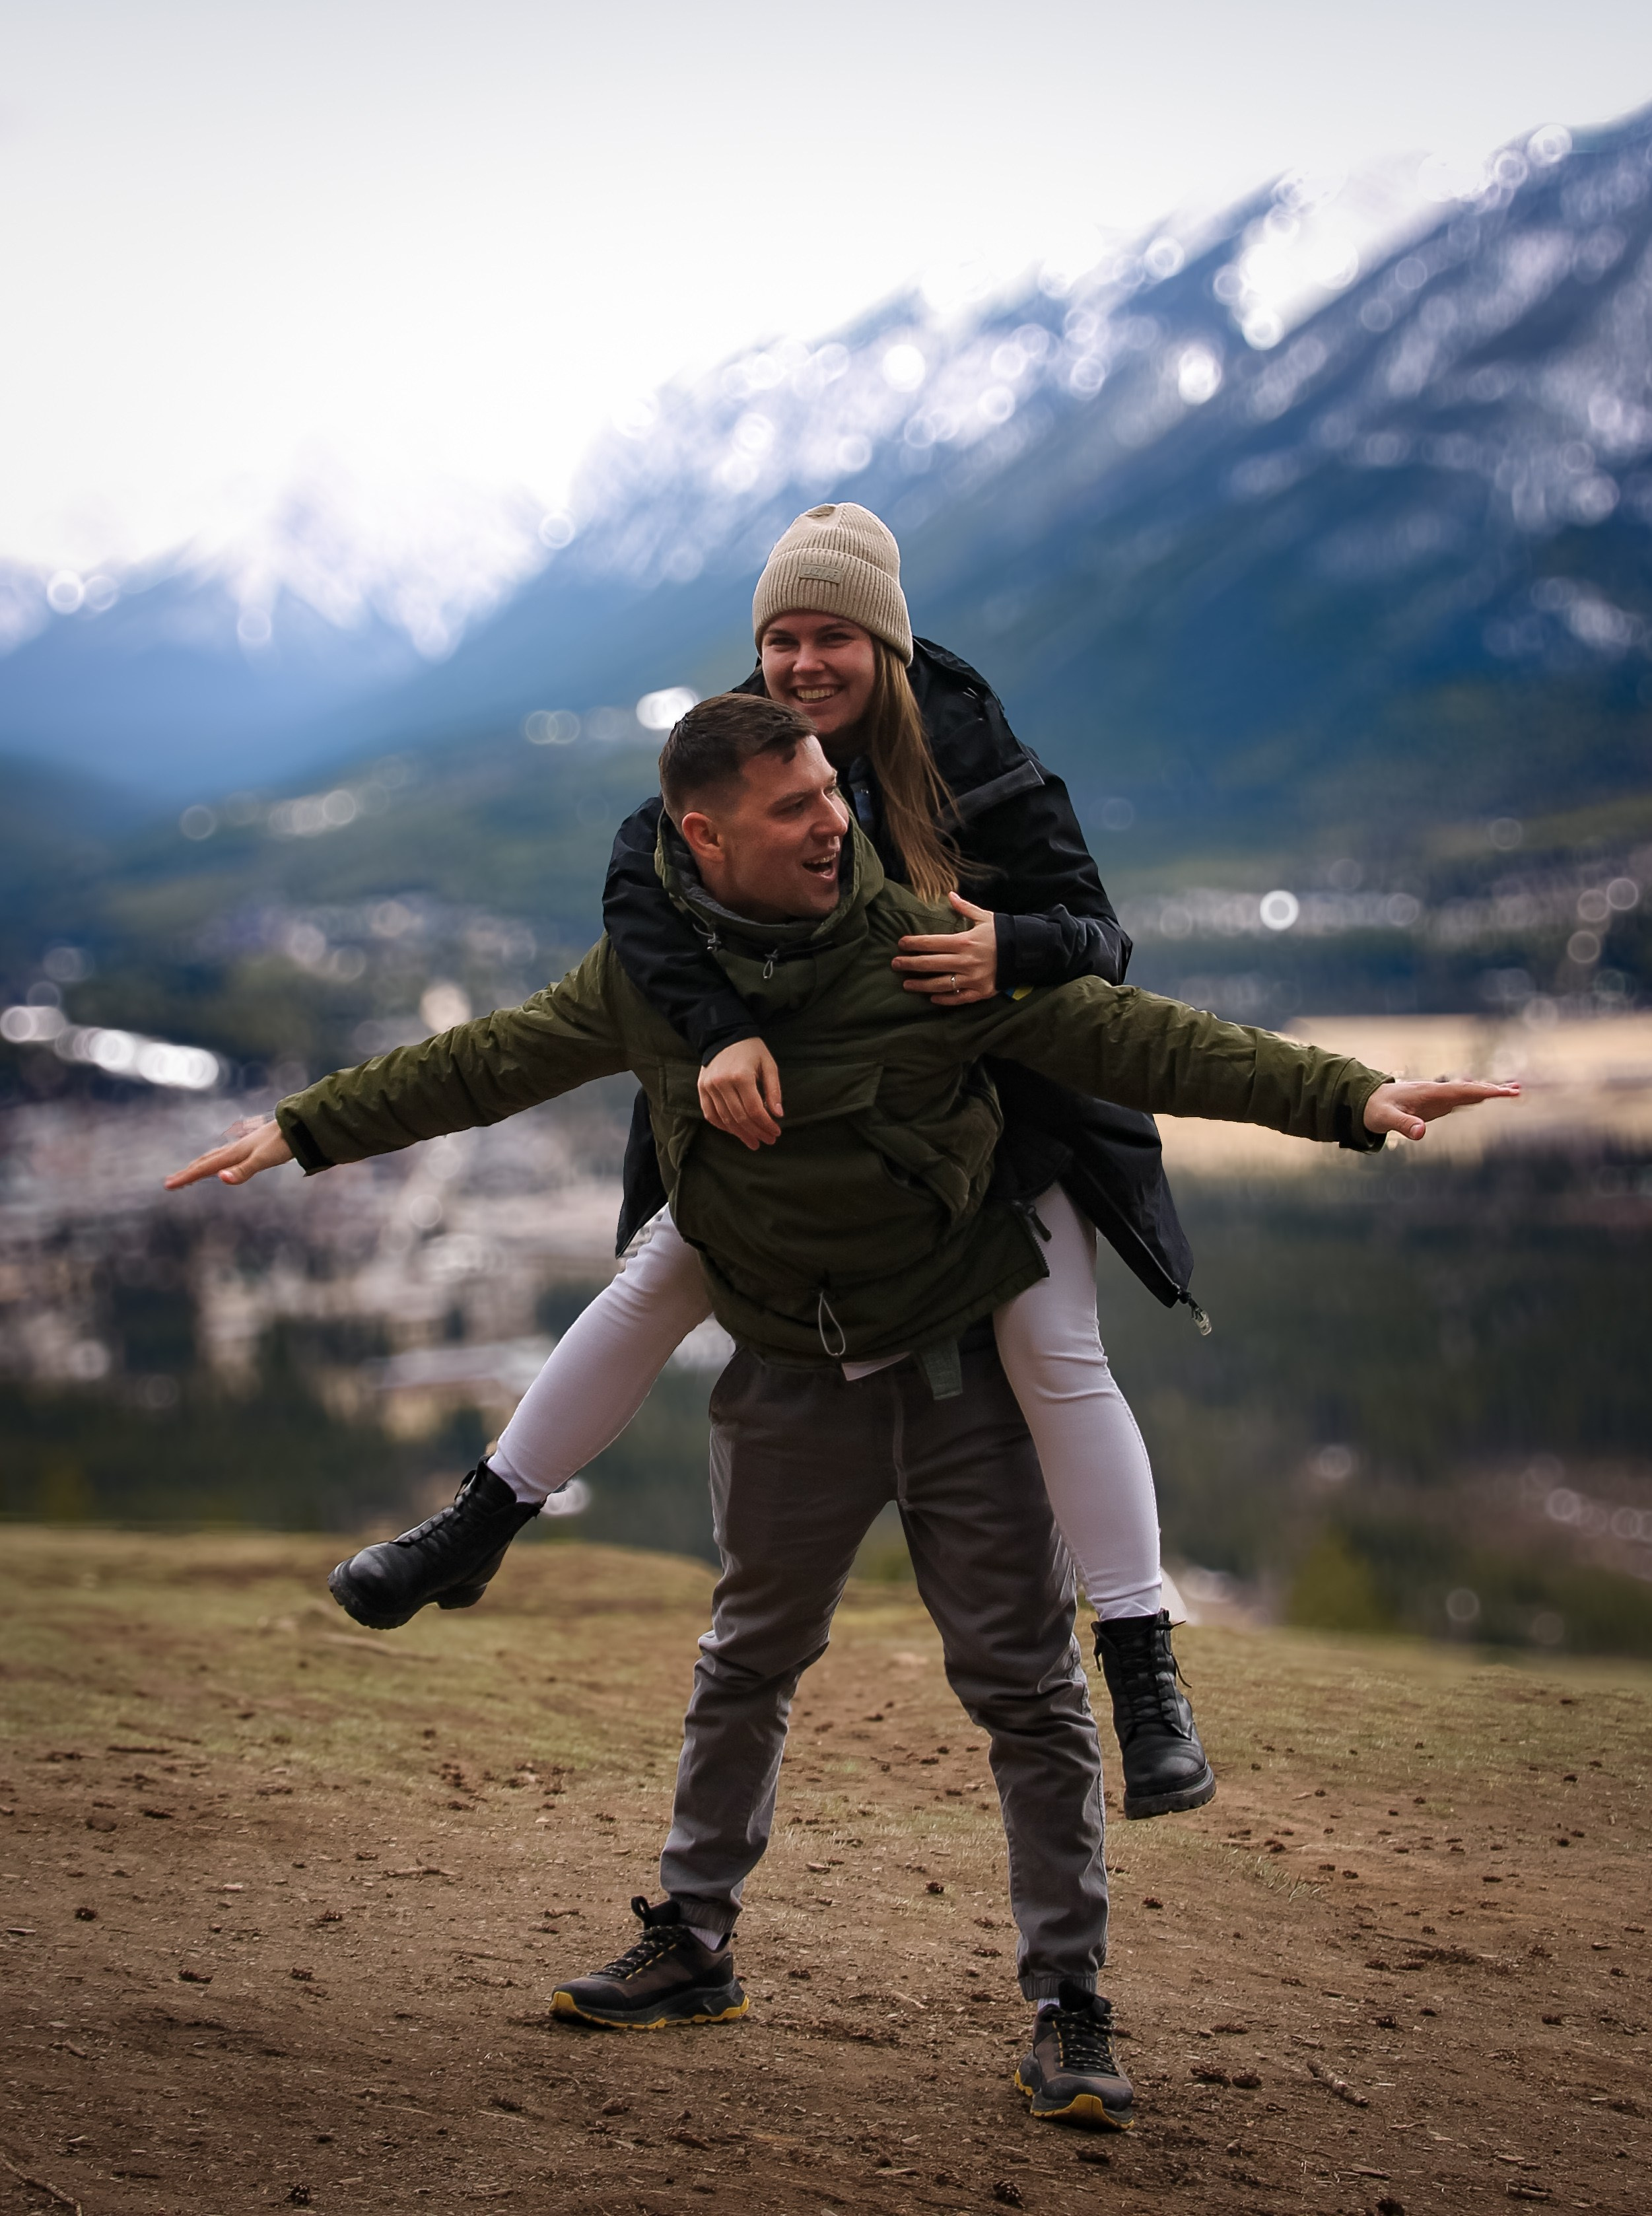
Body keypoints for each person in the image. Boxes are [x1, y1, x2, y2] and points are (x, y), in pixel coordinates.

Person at [166, 693, 1515, 2129]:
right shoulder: (649, 975)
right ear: (706, 837)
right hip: (785, 1379)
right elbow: (485, 1063)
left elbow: (1143, 1040)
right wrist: (305, 1128)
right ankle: (693, 1941)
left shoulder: (925, 949)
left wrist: (1352, 1096)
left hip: (957, 1373)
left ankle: (1069, 2000)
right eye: (798, 804)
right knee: (746, 1656)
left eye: (832, 788)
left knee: (1026, 1691)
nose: (835, 815)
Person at [339, 502, 1221, 1820]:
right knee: (657, 1275)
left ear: (887, 643)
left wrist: (1012, 948)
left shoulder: (983, 765)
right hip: (789, 1119)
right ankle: (477, 1525)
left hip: (992, 1123)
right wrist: (722, 1028)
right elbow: (641, 899)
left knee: (1057, 1348)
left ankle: (1145, 1673)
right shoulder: (738, 753)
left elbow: (1100, 941)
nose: (802, 665)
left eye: (831, 638)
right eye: (778, 639)